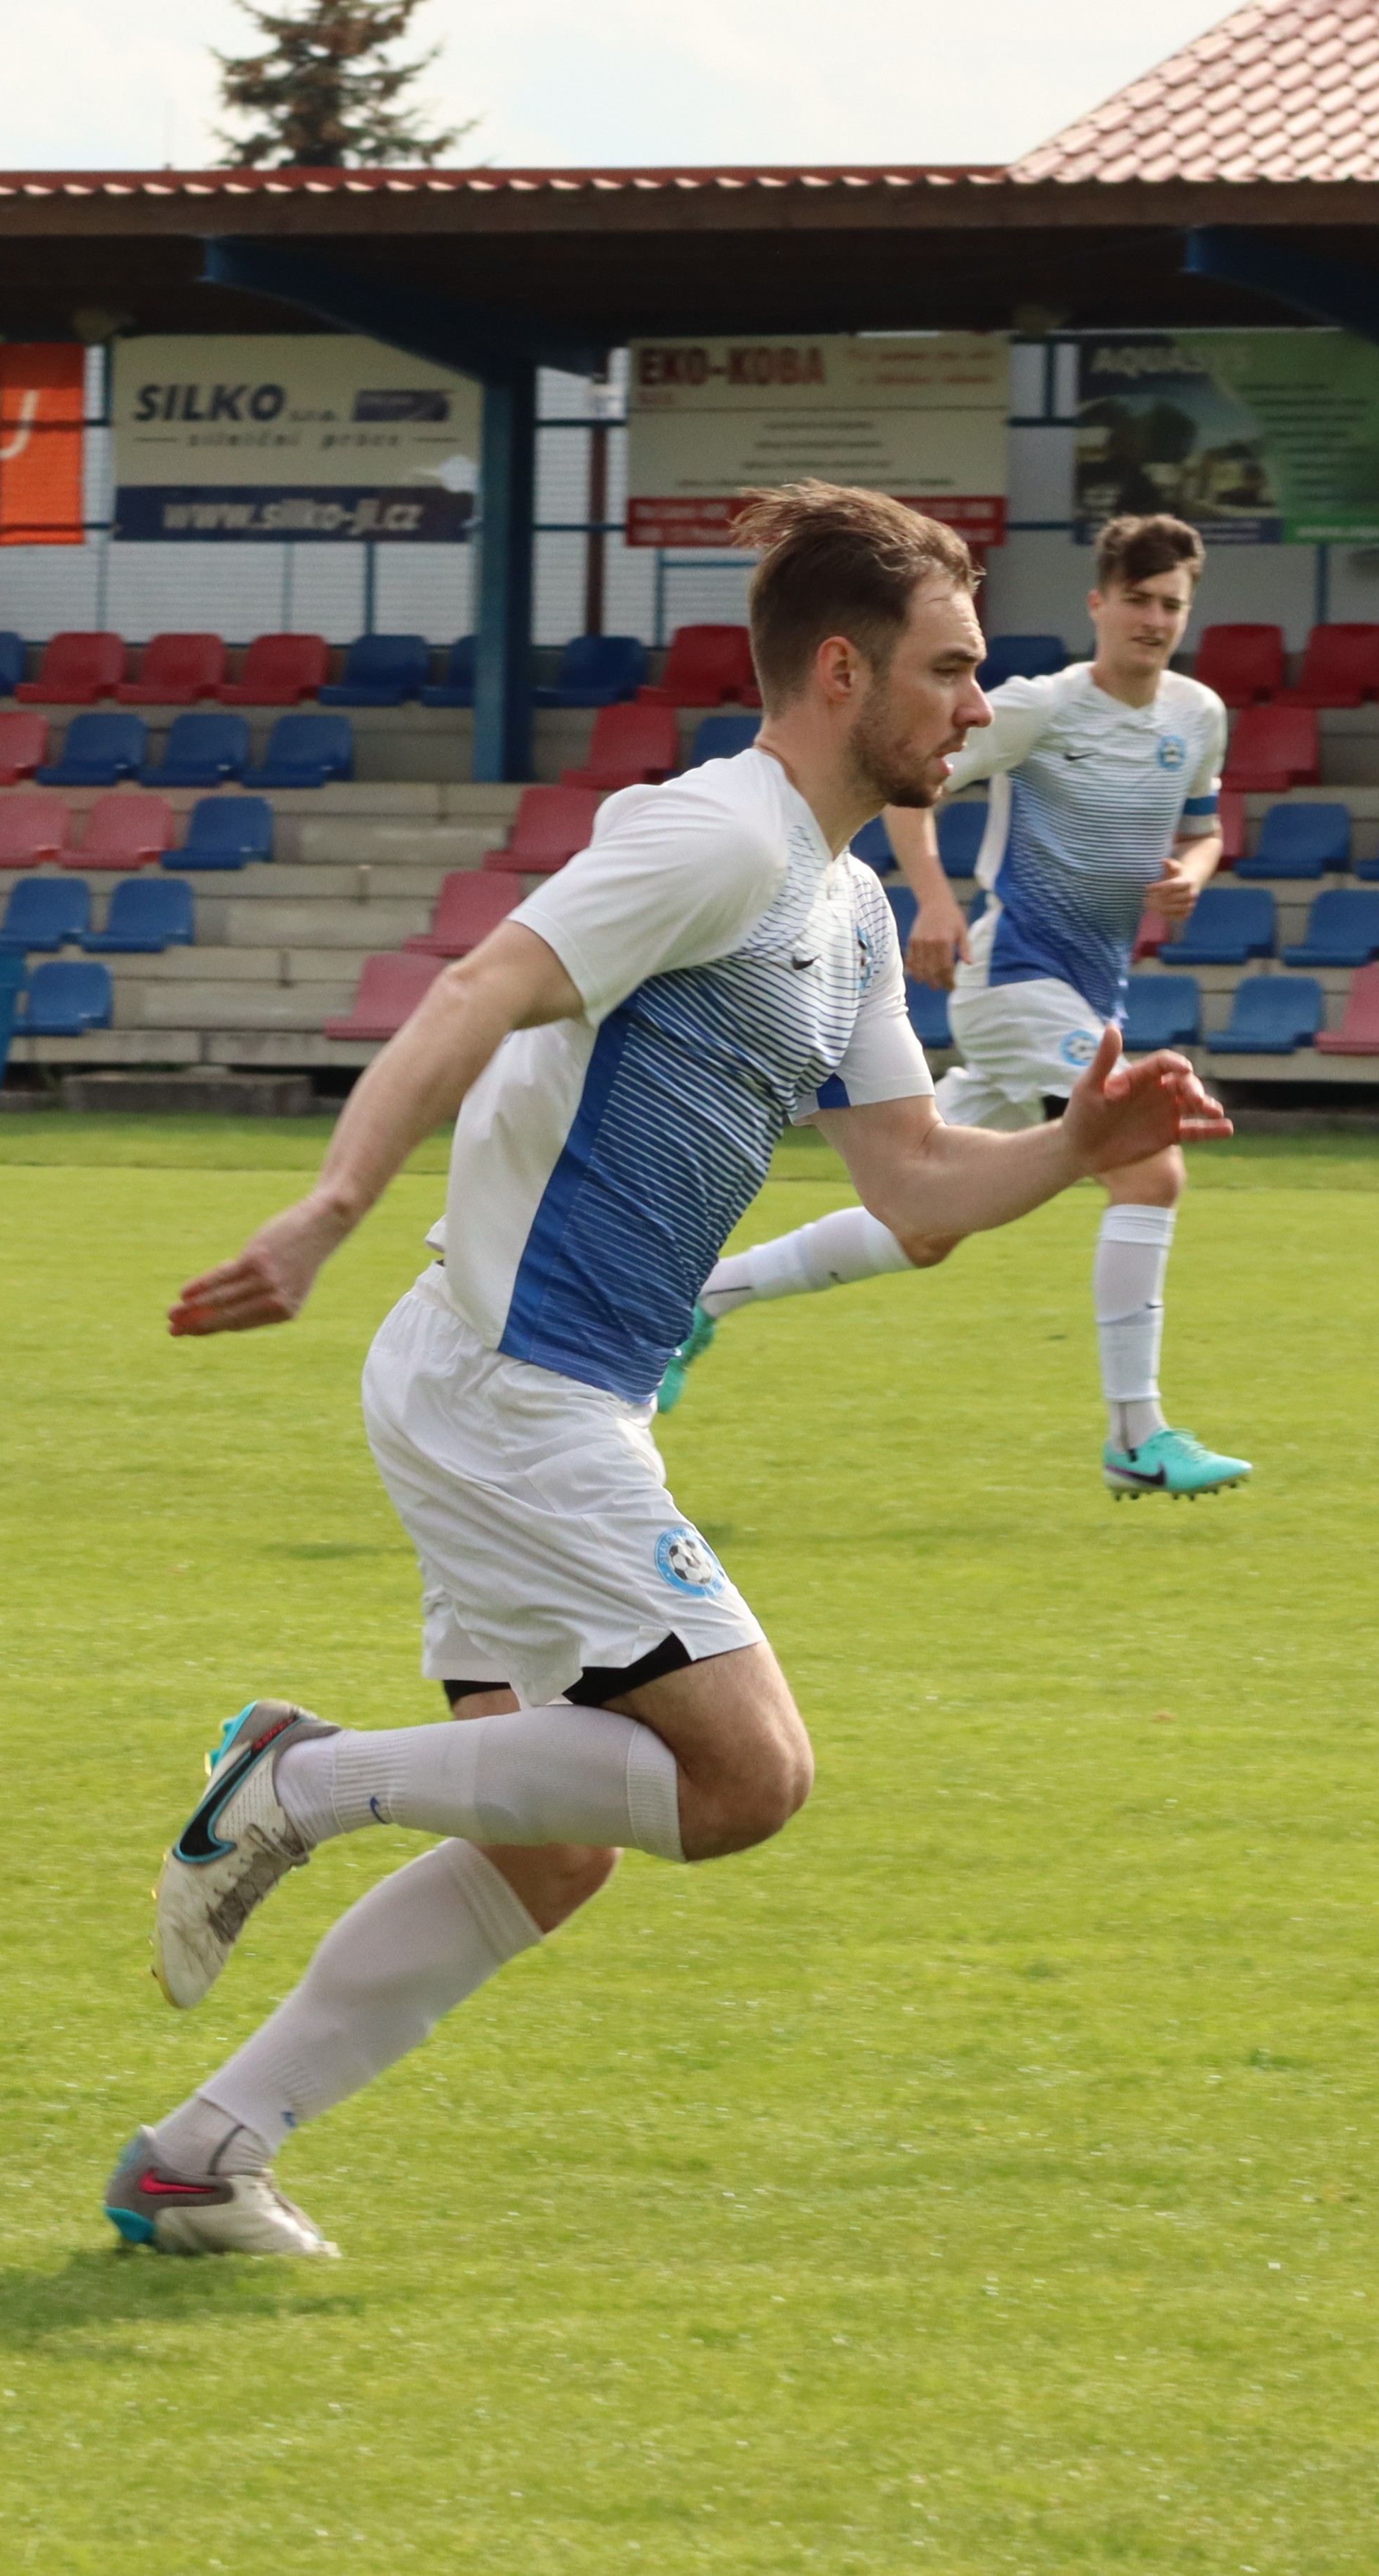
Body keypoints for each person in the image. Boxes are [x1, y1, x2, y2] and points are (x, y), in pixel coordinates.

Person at [116, 484, 1230, 2260]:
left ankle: (197, 2158)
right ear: (841, 671)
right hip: (515, 1391)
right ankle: (298, 1776)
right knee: (746, 1778)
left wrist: (1074, 1148)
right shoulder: (714, 835)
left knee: (552, 1843)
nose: (974, 706)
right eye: (947, 670)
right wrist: (326, 1208)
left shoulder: (844, 907)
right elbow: (478, 987)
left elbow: (914, 1191)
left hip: (534, 1392)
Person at [669, 515, 1242, 1498]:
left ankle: (701, 1298)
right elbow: (910, 784)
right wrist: (933, 902)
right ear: (1097, 603)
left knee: (924, 1221)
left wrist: (1191, 871)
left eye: (1170, 605)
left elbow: (1204, 827)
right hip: (1013, 979)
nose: (1152, 620)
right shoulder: (1040, 708)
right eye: (1136, 600)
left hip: (1088, 989)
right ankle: (1135, 1438)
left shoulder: (1196, 714)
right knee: (1147, 1168)